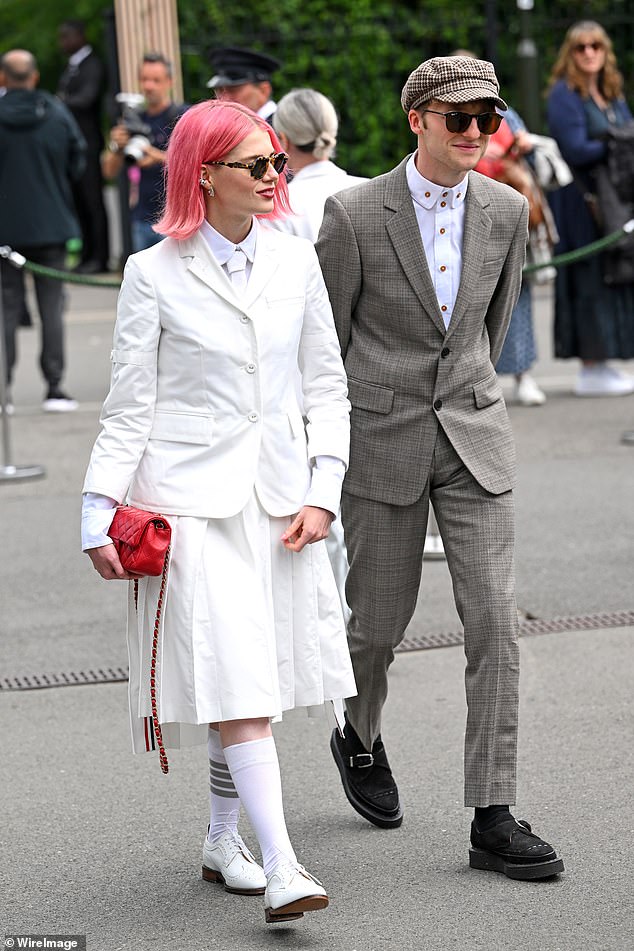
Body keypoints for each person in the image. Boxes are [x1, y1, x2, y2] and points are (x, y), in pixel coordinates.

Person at [81, 99, 355, 923]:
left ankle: (221, 838)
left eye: (276, 160)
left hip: (280, 504)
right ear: (203, 174)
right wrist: (98, 506)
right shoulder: (150, 272)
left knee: (252, 680)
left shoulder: (294, 256)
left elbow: (326, 387)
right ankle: (282, 866)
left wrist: (322, 490)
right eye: (256, 165)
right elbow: (129, 405)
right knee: (239, 685)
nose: (275, 176)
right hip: (192, 504)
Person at [316, 55, 564, 880]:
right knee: (376, 627)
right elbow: (326, 344)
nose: (473, 133)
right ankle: (360, 732)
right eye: (457, 118)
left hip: (473, 437)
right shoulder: (352, 214)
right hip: (380, 439)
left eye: (486, 119)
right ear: (417, 119)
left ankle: (492, 813)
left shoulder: (503, 207)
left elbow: (489, 335)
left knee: (494, 620)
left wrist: (463, 397)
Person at [269, 87, 367, 613]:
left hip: (307, 366)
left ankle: (332, 614)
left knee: (316, 495)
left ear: (283, 140)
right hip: (368, 358)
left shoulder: (280, 207)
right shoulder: (368, 190)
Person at [546, 21, 634, 397]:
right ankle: (590, 365)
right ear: (571, 52)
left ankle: (608, 360)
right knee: (588, 277)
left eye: (596, 45)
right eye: (581, 46)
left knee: (615, 273)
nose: (589, 53)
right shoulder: (564, 95)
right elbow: (575, 148)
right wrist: (616, 141)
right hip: (581, 201)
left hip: (614, 197)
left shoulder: (611, 92)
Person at [0, 49, 85, 412]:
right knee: (52, 307)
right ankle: (55, 387)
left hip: (5, 228)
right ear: (34, 77)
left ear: (3, 78)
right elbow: (77, 159)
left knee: (6, 307)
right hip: (52, 223)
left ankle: (3, 393)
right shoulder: (55, 112)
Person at [475, 106, 548, 406]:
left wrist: (521, 146)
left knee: (518, 294)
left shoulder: (503, 111)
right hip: (469, 204)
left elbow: (525, 144)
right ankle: (474, 381)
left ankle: (523, 375)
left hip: (510, 200)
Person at [102, 53, 187, 252]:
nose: (149, 86)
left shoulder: (184, 117)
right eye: (145, 79)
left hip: (176, 218)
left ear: (170, 82)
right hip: (142, 218)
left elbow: (199, 164)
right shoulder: (134, 119)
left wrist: (155, 156)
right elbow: (108, 172)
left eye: (156, 80)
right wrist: (117, 146)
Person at [57, 19, 110, 274]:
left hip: (88, 143)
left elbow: (87, 98)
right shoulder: (73, 66)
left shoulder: (92, 64)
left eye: (66, 37)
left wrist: (60, 103)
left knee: (92, 201)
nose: (62, 43)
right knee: (79, 202)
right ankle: (87, 254)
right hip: (74, 145)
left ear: (79, 36)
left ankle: (100, 258)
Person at [207, 46, 280, 124]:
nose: (224, 98)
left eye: (233, 90)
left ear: (264, 90)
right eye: (220, 90)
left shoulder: (281, 129)